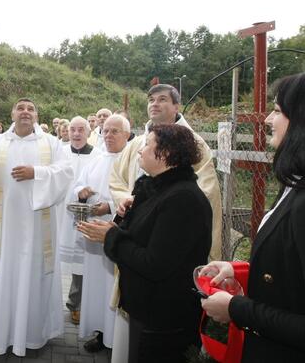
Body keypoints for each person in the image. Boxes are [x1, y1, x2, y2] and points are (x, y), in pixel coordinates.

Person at [200, 69, 305, 362]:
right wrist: (242, 269)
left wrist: (235, 308)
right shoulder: (301, 184)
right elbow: (303, 271)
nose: (268, 119)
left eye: (278, 111)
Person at [80, 124, 212, 363]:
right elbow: (140, 234)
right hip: (147, 310)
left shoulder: (183, 199)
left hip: (165, 318)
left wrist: (110, 237)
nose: (139, 151)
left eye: (147, 145)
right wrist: (123, 216)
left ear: (166, 153)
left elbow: (155, 263)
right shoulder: (156, 188)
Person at [0, 99, 74, 356]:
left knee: (33, 274)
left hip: (37, 228)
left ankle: (33, 335)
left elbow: (66, 172)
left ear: (36, 115)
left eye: (31, 108)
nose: (25, 112)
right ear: (12, 113)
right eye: (20, 108)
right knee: (0, 273)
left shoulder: (51, 143)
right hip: (2, 229)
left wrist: (35, 172)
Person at [110, 84, 223, 261]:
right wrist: (128, 201)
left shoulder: (194, 144)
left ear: (176, 106)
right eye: (151, 100)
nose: (154, 104)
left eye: (162, 99)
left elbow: (205, 189)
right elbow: (117, 178)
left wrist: (158, 207)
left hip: (171, 230)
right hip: (135, 229)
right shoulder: (136, 144)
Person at [73, 115, 131, 356]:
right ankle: (100, 332)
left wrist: (109, 206)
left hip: (119, 234)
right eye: (106, 131)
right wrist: (82, 192)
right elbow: (78, 183)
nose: (108, 135)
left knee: (114, 286)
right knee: (97, 286)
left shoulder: (132, 160)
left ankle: (118, 338)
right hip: (94, 237)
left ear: (127, 135)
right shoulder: (96, 158)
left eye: (115, 131)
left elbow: (134, 194)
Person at [58, 116, 99, 325]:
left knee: (81, 263)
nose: (76, 133)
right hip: (59, 215)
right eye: (72, 129)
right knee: (53, 259)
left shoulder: (98, 156)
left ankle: (75, 304)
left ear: (89, 131)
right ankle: (48, 303)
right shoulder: (60, 152)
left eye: (81, 129)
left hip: (85, 215)